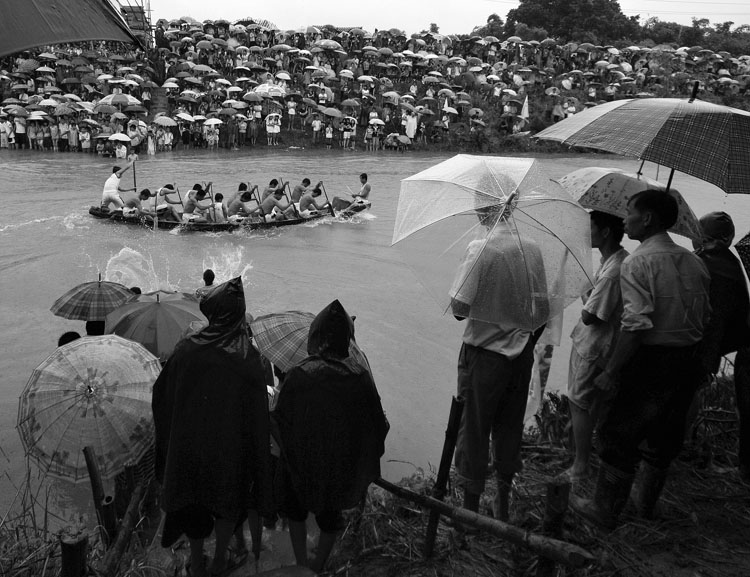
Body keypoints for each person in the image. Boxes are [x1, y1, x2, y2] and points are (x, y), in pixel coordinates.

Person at [571, 190, 710, 529]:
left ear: (646, 219)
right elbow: (705, 315)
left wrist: (612, 369)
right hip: (688, 358)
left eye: (630, 211)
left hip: (652, 359)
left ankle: (604, 510)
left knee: (619, 434)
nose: (625, 219)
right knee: (665, 436)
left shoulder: (637, 262)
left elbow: (635, 324)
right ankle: (645, 504)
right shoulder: (694, 261)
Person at [153, 278, 272, 577]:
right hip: (231, 450)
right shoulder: (252, 359)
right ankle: (220, 558)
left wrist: (170, 442)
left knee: (194, 506)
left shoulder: (188, 350)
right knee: (227, 504)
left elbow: (162, 397)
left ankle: (196, 561)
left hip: (190, 446)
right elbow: (259, 415)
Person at [449, 204, 549, 522]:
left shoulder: (481, 247)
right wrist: (526, 341)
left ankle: (470, 515)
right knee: (509, 429)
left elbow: (459, 308)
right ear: (513, 205)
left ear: (481, 208)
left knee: (474, 430)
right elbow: (543, 309)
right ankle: (502, 504)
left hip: (484, 356)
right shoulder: (532, 248)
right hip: (521, 355)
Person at [274, 300, 388, 573]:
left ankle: (301, 563)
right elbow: (378, 425)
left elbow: (279, 419)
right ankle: (318, 565)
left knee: (296, 511)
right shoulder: (360, 377)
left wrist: (290, 452)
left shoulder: (299, 374)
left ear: (315, 337)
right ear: (346, 341)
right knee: (330, 517)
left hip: (301, 463)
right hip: (338, 465)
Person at [564, 211, 628, 482]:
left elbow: (591, 316)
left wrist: (582, 285)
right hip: (591, 344)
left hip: (596, 346)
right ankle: (582, 456)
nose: (586, 232)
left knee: (580, 403)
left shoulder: (614, 270)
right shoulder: (612, 261)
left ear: (605, 232)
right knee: (588, 404)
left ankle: (581, 466)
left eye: (591, 227)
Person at [693, 212, 750, 483]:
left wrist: (707, 360)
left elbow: (714, 323)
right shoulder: (728, 265)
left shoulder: (710, 266)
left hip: (710, 349)